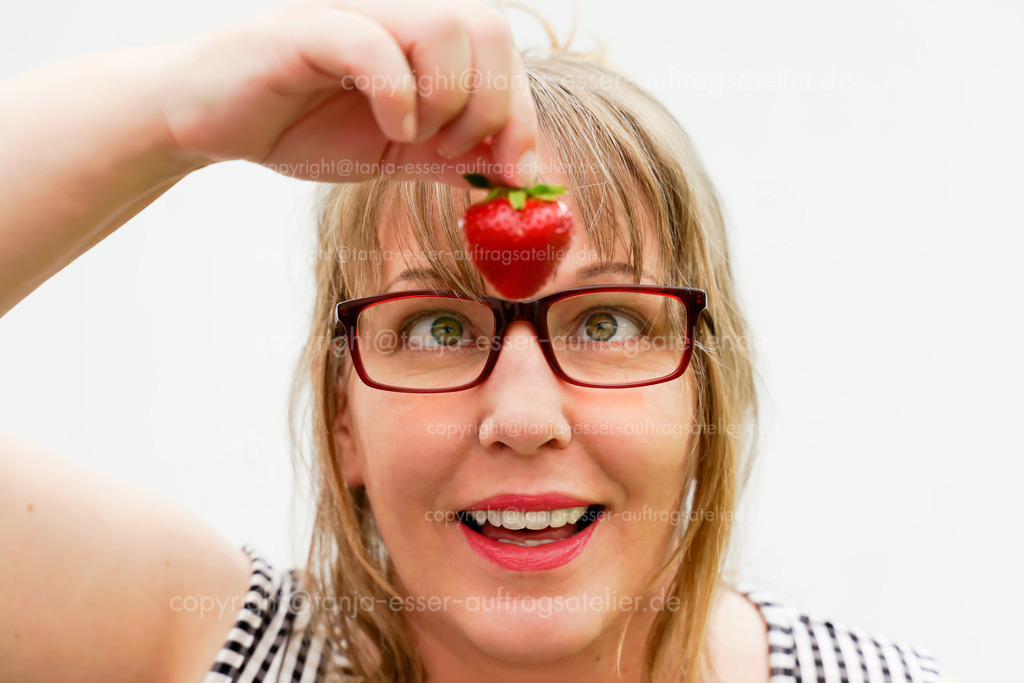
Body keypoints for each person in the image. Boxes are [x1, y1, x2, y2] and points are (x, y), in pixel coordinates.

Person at [0, 1, 952, 681]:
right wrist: (170, 113)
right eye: (439, 327)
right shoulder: (214, 647)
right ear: (344, 417)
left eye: (609, 321)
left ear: (700, 397)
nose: (525, 416)